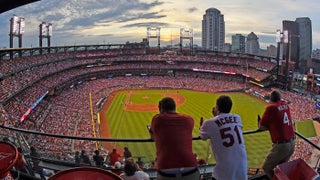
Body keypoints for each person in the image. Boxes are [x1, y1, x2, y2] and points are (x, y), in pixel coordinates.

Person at [149, 97, 199, 180]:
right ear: (174, 107)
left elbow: (153, 137)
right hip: (190, 167)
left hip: (166, 169)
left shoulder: (157, 119)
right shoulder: (189, 119)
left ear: (161, 109)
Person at [200, 95, 247, 180]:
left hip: (224, 172)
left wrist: (214, 117)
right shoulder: (238, 118)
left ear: (217, 107)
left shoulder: (209, 122)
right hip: (242, 169)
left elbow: (203, 136)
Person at [258, 90, 295, 179]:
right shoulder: (286, 105)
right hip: (292, 143)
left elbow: (261, 127)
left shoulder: (271, 108)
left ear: (271, 99)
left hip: (282, 145)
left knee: (266, 167)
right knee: (281, 168)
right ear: (280, 98)